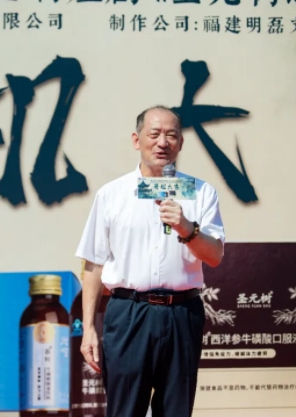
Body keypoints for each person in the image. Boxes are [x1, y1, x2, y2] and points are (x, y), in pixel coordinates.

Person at [74, 105, 225, 417]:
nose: (162, 143)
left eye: (171, 135)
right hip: (129, 313)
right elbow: (93, 265)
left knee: (176, 410)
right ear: (137, 140)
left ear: (181, 143)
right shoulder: (112, 194)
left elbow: (214, 255)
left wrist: (187, 228)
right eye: (154, 134)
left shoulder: (201, 192)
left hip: (182, 312)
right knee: (125, 410)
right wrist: (88, 328)